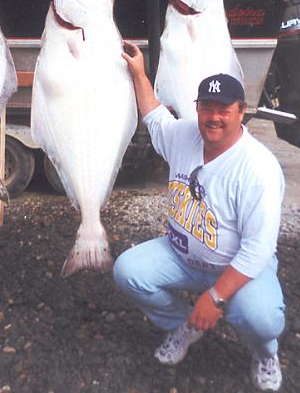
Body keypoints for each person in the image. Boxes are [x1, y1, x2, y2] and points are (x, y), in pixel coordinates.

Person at [114, 41, 286, 392]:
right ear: (197, 108)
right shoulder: (185, 135)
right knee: (128, 271)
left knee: (261, 319)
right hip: (182, 256)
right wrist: (139, 74)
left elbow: (258, 249)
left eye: (224, 109)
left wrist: (215, 297)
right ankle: (185, 324)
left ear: (242, 111)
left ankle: (266, 352)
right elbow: (155, 117)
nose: (214, 117)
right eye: (207, 107)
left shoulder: (259, 167)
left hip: (237, 266)